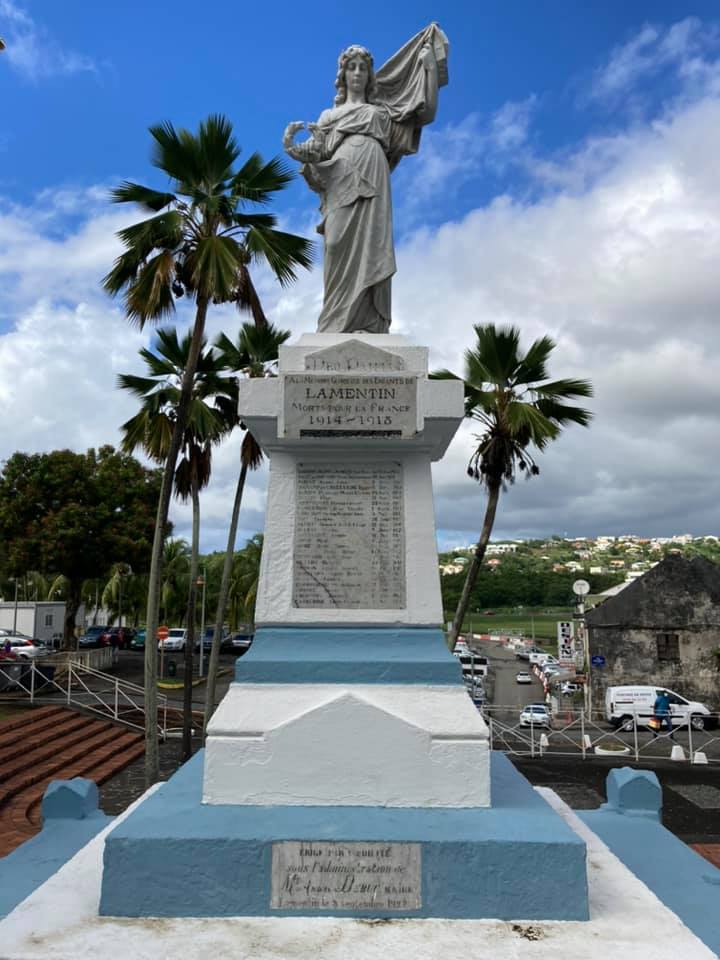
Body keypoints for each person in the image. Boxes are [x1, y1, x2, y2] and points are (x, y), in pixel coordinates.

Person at [283, 24, 447, 333]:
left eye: (362, 68)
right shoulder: (328, 117)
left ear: (370, 75)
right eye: (351, 67)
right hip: (341, 178)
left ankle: (371, 323)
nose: (357, 73)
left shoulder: (381, 114)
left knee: (373, 246)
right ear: (343, 75)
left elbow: (423, 114)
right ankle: (334, 322)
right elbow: (316, 153)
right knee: (334, 244)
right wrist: (293, 147)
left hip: (374, 173)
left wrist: (428, 70)